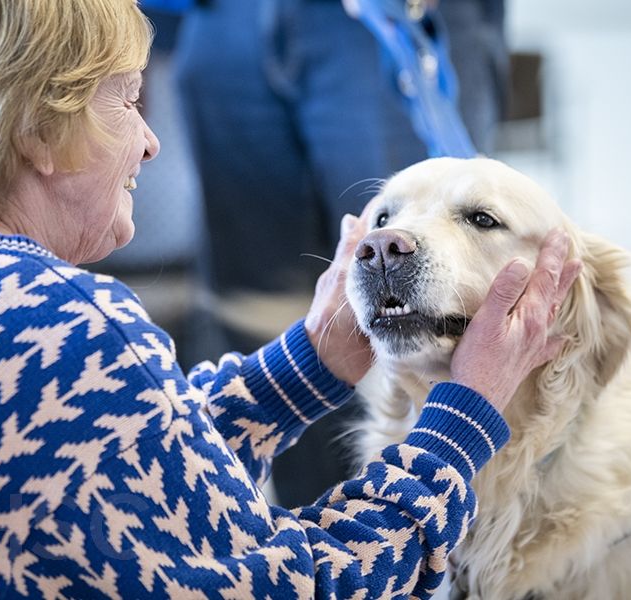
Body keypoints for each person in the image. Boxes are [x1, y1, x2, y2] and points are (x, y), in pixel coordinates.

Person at [0, 1, 579, 597]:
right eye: (130, 101)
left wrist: (306, 367)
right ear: (39, 128)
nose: (152, 141)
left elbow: (117, 460)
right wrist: (466, 413)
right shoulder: (65, 321)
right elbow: (301, 587)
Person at [171, 0, 509, 507]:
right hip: (220, 20)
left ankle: (444, 546)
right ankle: (319, 556)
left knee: (440, 307)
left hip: (379, 22)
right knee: (259, 312)